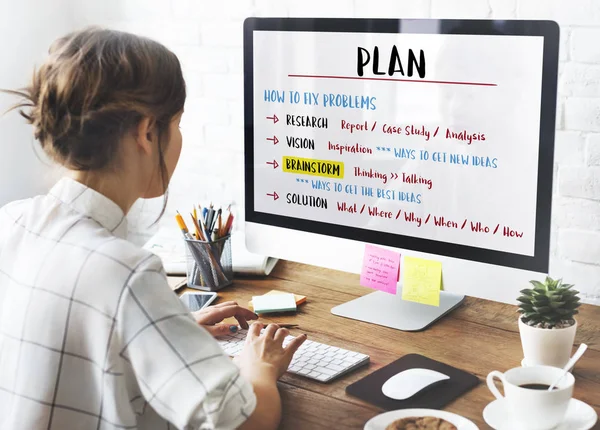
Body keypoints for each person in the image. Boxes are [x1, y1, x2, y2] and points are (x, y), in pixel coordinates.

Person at [0, 27, 306, 430]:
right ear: (147, 132)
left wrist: (164, 329)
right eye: (176, 124)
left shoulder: (11, 221)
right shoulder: (126, 273)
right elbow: (247, 422)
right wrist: (259, 366)